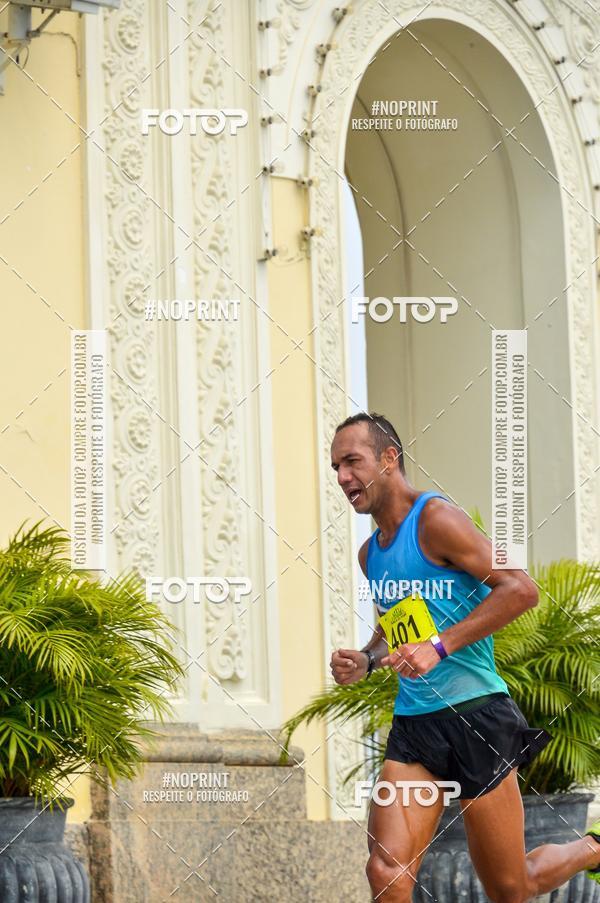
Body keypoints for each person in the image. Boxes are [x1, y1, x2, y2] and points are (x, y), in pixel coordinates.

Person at [329, 412, 600, 903]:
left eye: (352, 462)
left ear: (389, 460)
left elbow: (521, 589)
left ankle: (591, 849)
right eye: (336, 468)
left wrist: (439, 647)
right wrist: (367, 660)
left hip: (478, 718)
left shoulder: (438, 520)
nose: (344, 477)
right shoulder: (372, 553)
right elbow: (395, 626)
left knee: (511, 888)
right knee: (385, 871)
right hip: (415, 727)